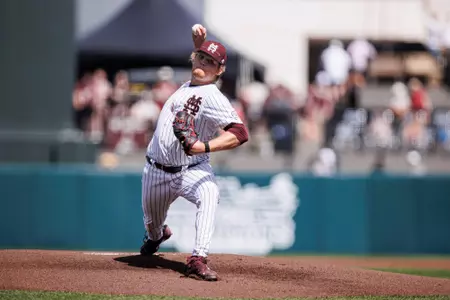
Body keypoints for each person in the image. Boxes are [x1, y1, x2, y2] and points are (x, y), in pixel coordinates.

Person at [139, 24, 249, 281]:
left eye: (212, 61)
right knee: (153, 229)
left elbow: (241, 133)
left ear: (220, 70)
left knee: (209, 193)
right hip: (156, 170)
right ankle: (157, 236)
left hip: (192, 168)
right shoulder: (189, 84)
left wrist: (204, 147)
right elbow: (198, 64)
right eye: (201, 57)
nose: (204, 63)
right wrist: (199, 44)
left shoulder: (213, 96)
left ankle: (198, 258)